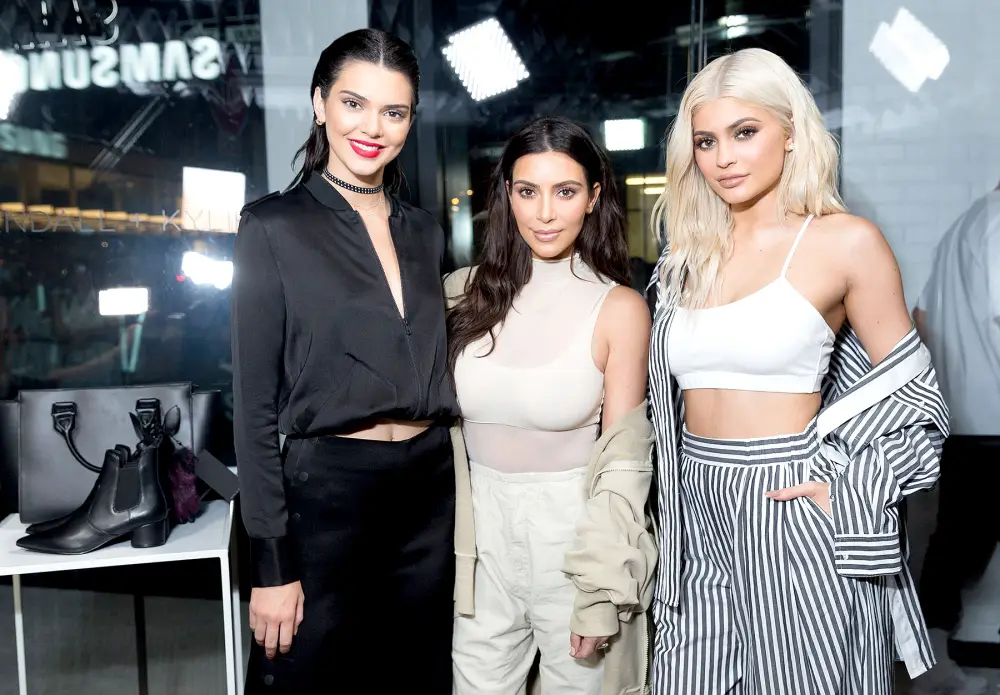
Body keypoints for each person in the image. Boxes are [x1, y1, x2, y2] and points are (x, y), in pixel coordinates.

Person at [644, 48, 949, 694]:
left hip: (788, 496)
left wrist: (854, 487)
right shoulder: (688, 254)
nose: (723, 157)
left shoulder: (845, 243)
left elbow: (919, 405)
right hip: (694, 504)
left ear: (790, 132)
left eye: (745, 132)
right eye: (706, 141)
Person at [231, 29, 459, 693]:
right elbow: (253, 406)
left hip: (429, 492)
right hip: (326, 497)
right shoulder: (272, 226)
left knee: (416, 676)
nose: (373, 127)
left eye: (394, 112)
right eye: (354, 104)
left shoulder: (425, 230)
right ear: (319, 103)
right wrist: (270, 562)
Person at [445, 116, 657, 695]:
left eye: (564, 192)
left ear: (593, 198)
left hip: (574, 539)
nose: (544, 213)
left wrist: (600, 589)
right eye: (527, 191)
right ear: (506, 195)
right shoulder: (461, 295)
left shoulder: (618, 308)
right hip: (479, 541)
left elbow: (624, 463)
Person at [910, 180, 1000, 695]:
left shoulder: (960, 227)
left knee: (954, 546)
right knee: (958, 549)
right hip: (994, 420)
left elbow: (922, 320)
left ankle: (933, 669)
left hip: (963, 423)